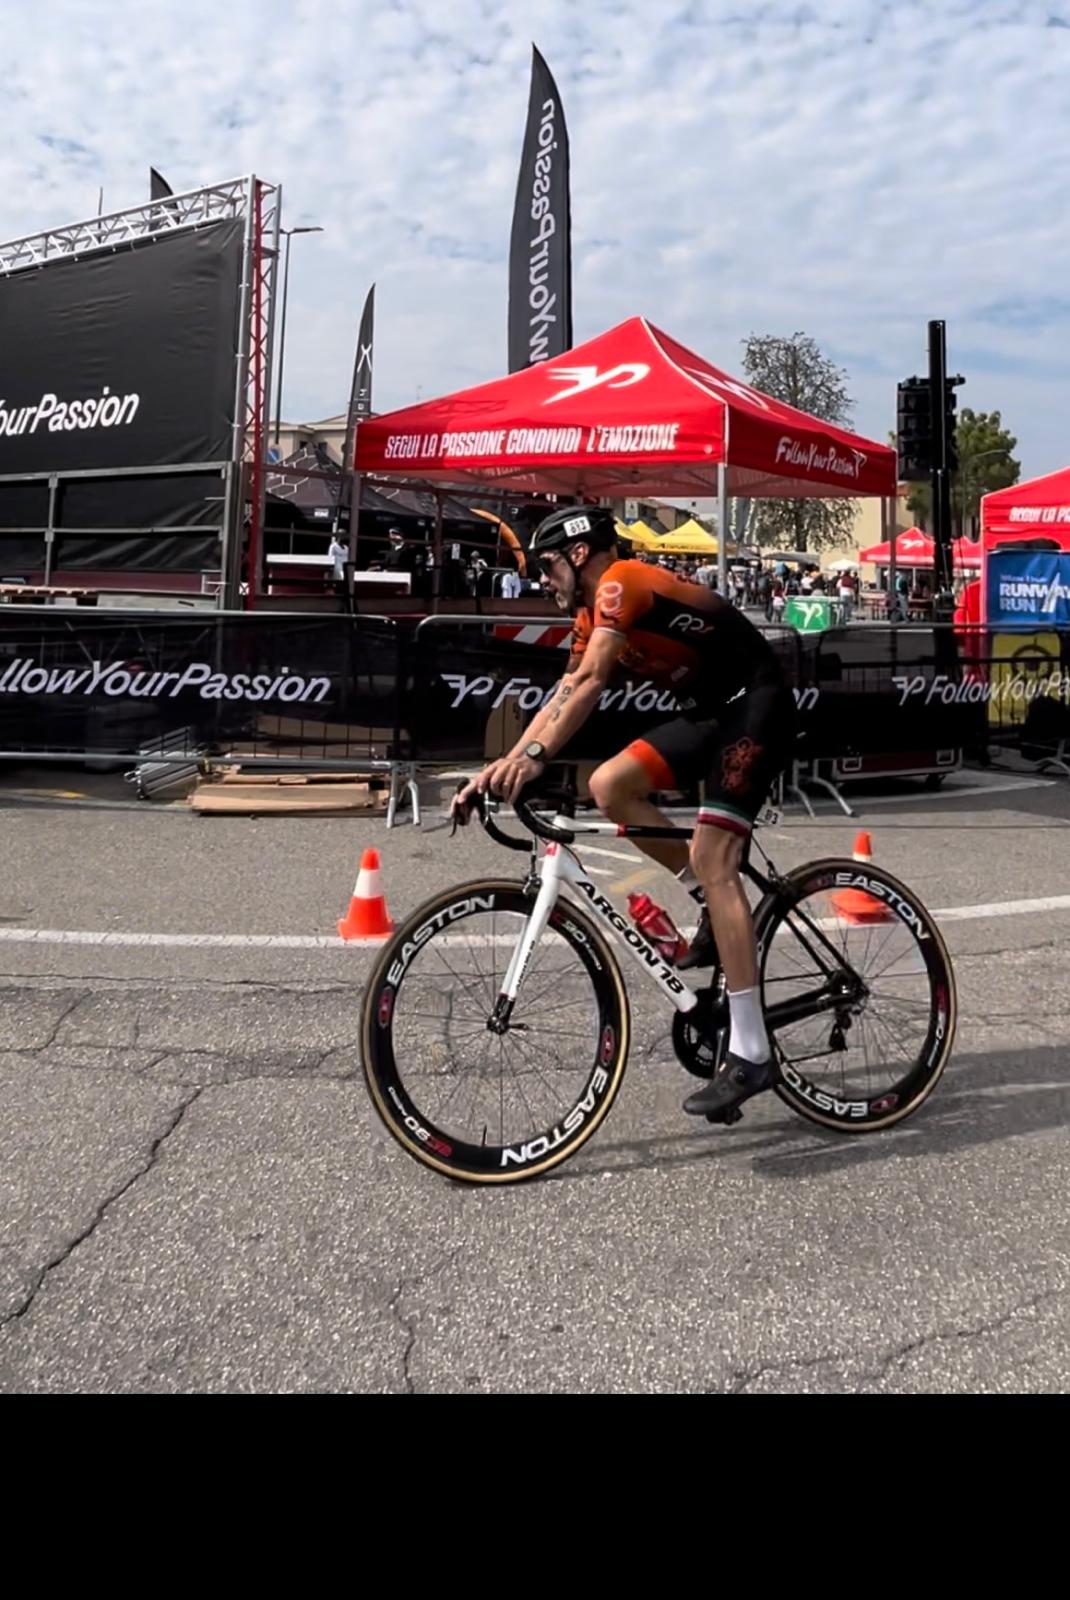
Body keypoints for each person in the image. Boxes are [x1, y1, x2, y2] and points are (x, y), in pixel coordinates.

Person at [453, 505, 797, 1123]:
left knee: (716, 857)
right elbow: (563, 694)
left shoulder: (619, 584)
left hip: (756, 704)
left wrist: (534, 759)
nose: (543, 580)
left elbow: (590, 682)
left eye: (548, 566)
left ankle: (751, 1050)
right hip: (710, 713)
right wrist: (502, 764)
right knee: (610, 786)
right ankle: (709, 906)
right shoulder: (589, 615)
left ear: (578, 554)